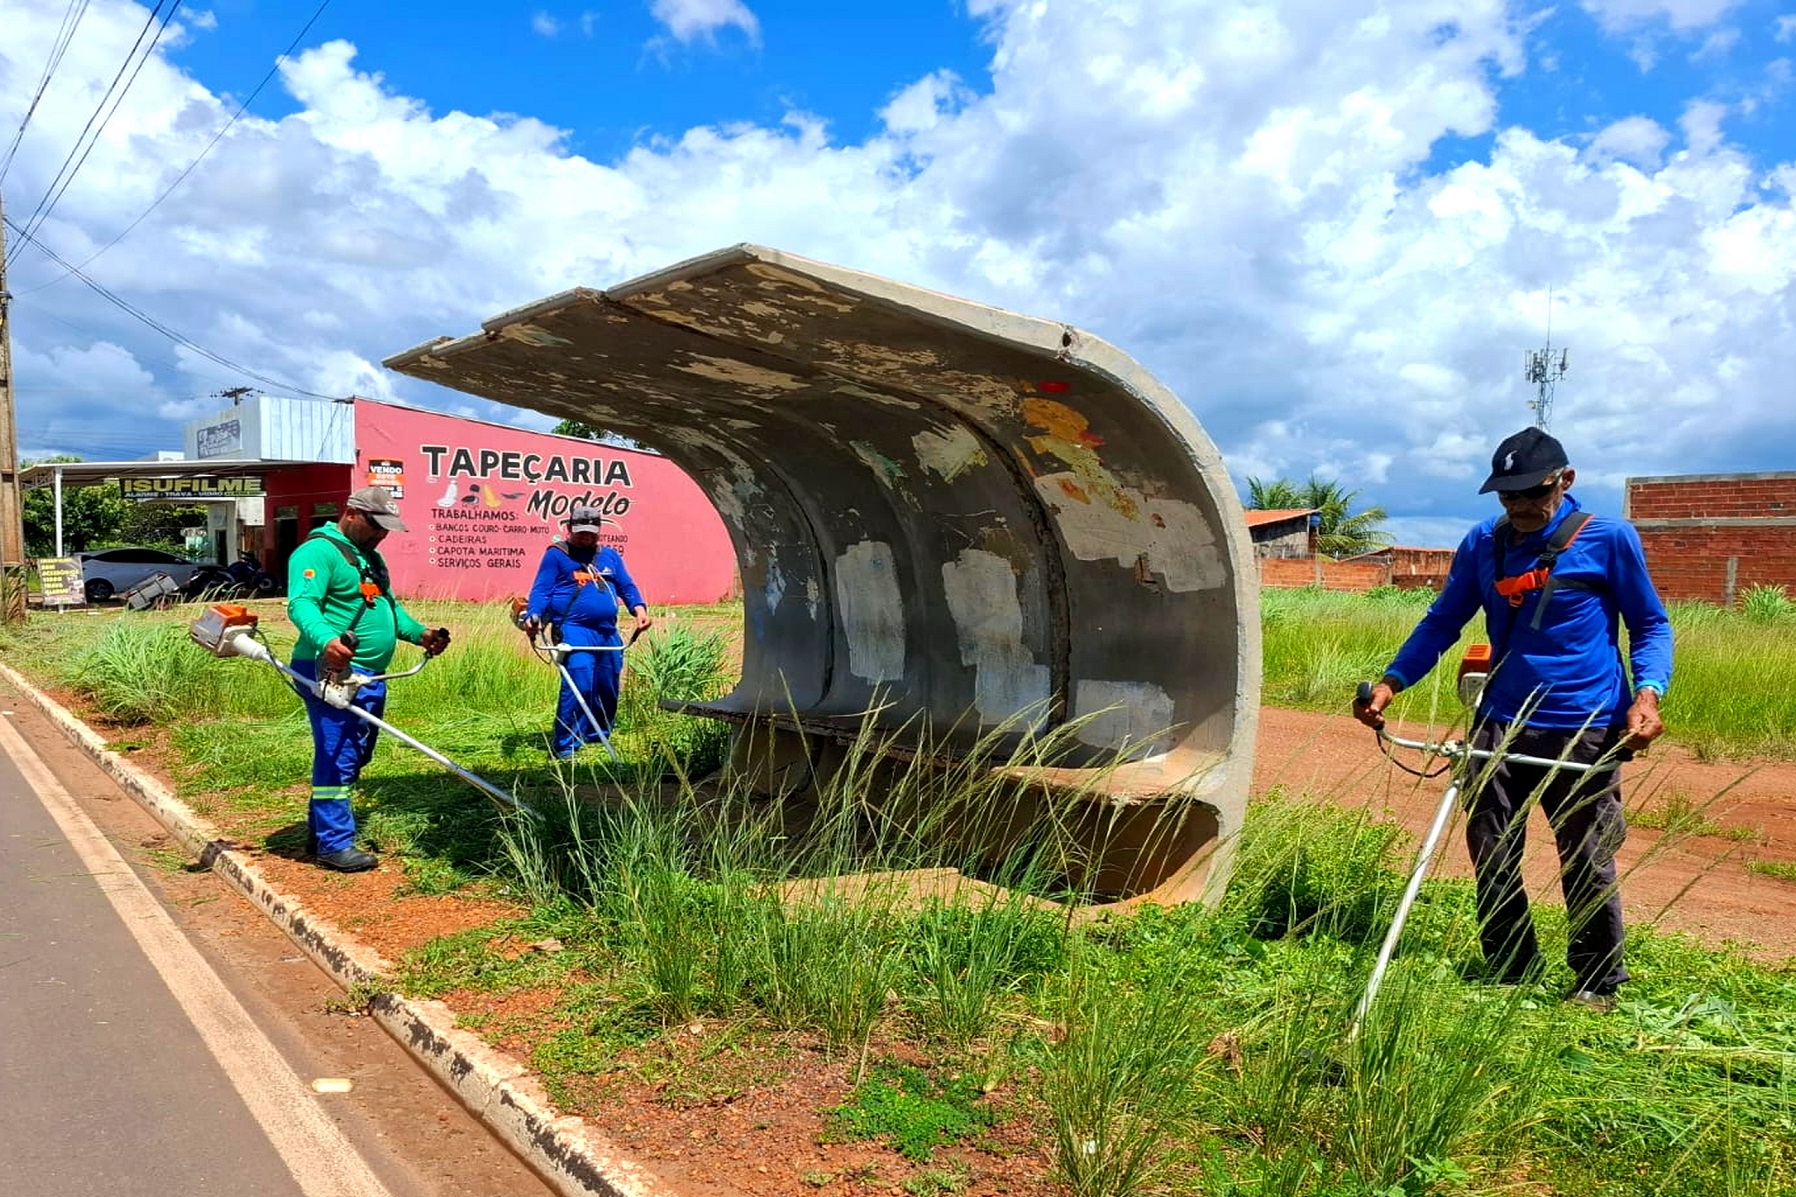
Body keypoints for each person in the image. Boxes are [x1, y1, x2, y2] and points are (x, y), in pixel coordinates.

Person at [1353, 427, 1673, 1010]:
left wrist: (1648, 694)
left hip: (1586, 722)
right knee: (1491, 844)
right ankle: (1511, 964)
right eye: (1508, 496)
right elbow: (1443, 621)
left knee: (1587, 852)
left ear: (1565, 480)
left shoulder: (1608, 538)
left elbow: (1649, 624)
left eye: (1534, 493)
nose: (1521, 506)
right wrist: (1392, 682)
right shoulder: (1484, 541)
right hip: (1500, 717)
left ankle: (1597, 980)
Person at [286, 487, 450, 872]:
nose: (382, 534)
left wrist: (420, 634)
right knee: (338, 752)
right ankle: (334, 844)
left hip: (371, 676)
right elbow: (302, 604)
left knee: (358, 752)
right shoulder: (317, 552)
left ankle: (320, 829)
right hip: (330, 671)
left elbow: (388, 608)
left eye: (387, 528)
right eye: (376, 526)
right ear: (352, 513)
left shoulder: (370, 558)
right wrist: (326, 640)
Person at [521, 505, 653, 759]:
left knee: (607, 686)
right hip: (574, 629)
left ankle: (597, 735)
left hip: (607, 632)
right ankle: (566, 744)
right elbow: (541, 590)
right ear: (569, 528)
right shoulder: (557, 556)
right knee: (579, 684)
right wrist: (533, 615)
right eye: (580, 532)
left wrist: (639, 610)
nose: (586, 537)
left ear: (599, 530)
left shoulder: (610, 556)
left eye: (591, 532)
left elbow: (626, 586)